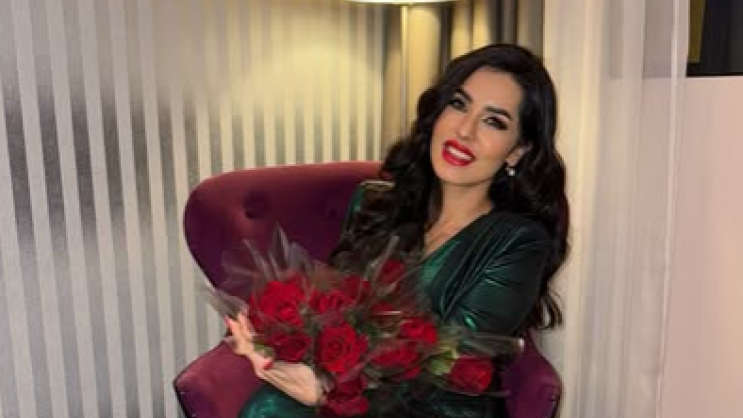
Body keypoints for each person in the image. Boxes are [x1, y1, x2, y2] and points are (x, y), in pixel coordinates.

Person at [226, 43, 569, 418]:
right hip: (344, 395)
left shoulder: (518, 242)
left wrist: (330, 390)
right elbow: (334, 313)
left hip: (438, 409)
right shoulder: (376, 204)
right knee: (268, 407)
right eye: (458, 104)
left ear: (517, 150)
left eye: (494, 122)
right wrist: (275, 342)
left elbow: (455, 366)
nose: (464, 130)